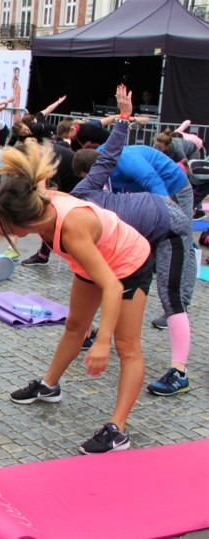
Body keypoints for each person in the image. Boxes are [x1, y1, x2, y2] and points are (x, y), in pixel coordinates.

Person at [0, 84, 151, 454]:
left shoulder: (71, 226)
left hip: (127, 264)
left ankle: (118, 429)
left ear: (25, 223)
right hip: (93, 262)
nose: (1, 232)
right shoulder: (37, 200)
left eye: (5, 228)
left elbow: (111, 287)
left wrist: (103, 343)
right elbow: (32, 171)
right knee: (75, 326)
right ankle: (49, 385)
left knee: (128, 347)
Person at [68, 88, 195, 397]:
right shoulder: (84, 193)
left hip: (169, 219)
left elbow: (121, 160)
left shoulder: (85, 197)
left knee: (171, 295)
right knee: (120, 281)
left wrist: (124, 118)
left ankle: (179, 371)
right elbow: (90, 276)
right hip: (145, 227)